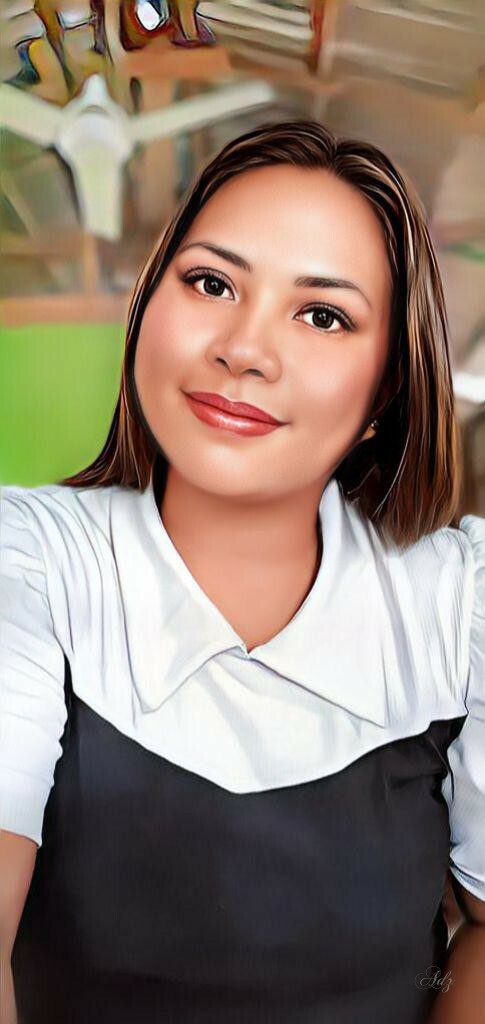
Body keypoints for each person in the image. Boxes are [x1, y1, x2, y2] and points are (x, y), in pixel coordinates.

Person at [0, 119, 484, 1024]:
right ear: (147, 303)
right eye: (211, 283)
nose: (244, 349)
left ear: (386, 390)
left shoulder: (460, 604)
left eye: (322, 315)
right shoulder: (26, 562)